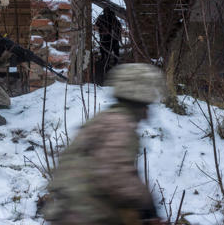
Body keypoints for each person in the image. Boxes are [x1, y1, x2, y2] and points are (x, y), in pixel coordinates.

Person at [44, 63, 166, 224]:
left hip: (75, 211)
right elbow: (115, 174)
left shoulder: (105, 119)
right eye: (148, 105)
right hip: (86, 216)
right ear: (141, 100)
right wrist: (147, 209)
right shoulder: (119, 124)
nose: (148, 113)